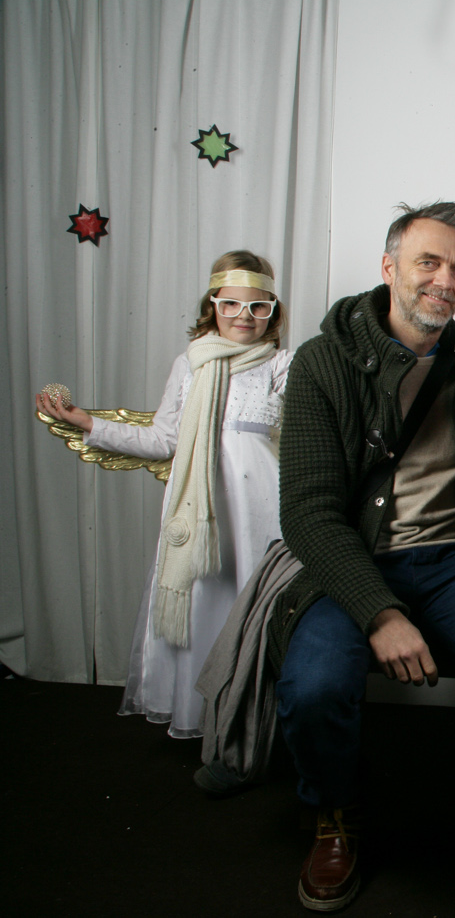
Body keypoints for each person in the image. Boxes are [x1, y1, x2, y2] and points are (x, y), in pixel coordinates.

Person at [269, 201, 455, 912]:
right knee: (314, 686)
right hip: (357, 557)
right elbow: (308, 511)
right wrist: (380, 613)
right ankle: (335, 810)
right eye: (429, 262)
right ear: (388, 268)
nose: (446, 280)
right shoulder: (323, 361)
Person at [35, 250, 291, 739]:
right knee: (205, 607)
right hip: (200, 517)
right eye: (231, 304)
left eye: (258, 307)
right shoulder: (190, 365)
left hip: (259, 513)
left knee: (256, 605)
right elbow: (163, 440)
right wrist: (87, 423)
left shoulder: (282, 364)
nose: (244, 316)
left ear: (273, 311)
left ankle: (255, 725)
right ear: (212, 305)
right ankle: (205, 717)